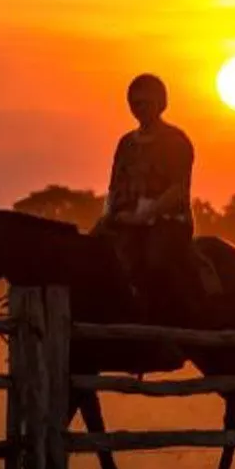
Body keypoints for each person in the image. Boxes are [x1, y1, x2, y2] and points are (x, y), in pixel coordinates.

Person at [94, 74, 207, 365]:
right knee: (91, 255)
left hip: (168, 220)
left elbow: (178, 188)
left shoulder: (176, 141)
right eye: (134, 103)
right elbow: (114, 185)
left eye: (145, 102)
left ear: (160, 103)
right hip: (125, 217)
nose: (139, 108)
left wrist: (144, 215)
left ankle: (164, 336)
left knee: (154, 261)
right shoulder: (125, 144)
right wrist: (109, 215)